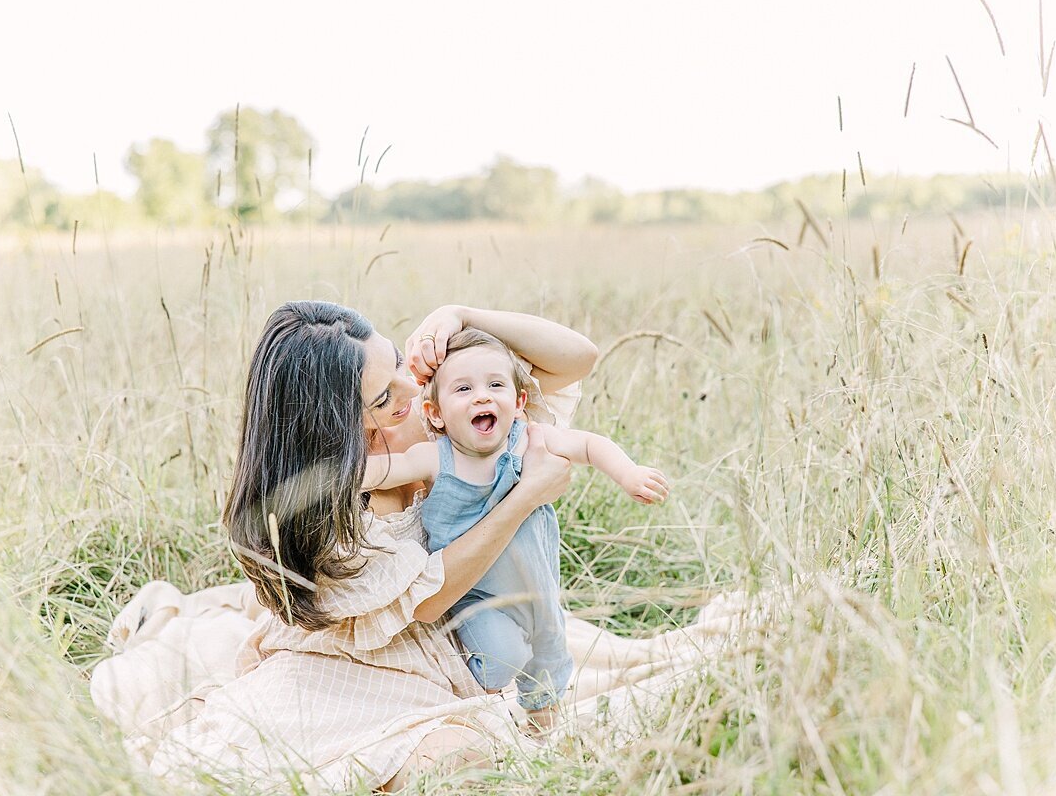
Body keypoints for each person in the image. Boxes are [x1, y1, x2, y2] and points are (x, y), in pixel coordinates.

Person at [95, 301, 743, 792]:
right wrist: (525, 497)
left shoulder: (434, 411)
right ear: (335, 426)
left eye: (400, 367)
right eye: (384, 395)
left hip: (475, 623)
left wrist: (464, 314)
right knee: (450, 757)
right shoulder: (327, 511)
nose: (409, 395)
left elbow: (578, 358)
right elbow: (429, 601)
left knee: (606, 670)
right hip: (382, 648)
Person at [361, 327, 669, 729]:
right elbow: (383, 471)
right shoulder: (434, 458)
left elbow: (590, 445)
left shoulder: (529, 439)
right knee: (499, 661)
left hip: (536, 589)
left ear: (519, 401)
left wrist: (629, 473)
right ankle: (486, 704)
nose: (483, 396)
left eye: (495, 385)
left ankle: (544, 734)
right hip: (475, 594)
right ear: (435, 412)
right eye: (464, 390)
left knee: (548, 662)